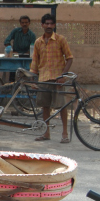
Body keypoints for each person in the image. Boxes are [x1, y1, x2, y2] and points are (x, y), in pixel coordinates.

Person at [30, 13, 74, 143]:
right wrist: (33, 78)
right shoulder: (38, 42)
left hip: (57, 79)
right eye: (46, 24)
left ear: (54, 25)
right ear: (42, 25)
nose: (49, 26)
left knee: (62, 106)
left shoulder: (61, 40)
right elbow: (35, 62)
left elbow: (69, 58)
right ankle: (46, 133)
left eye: (51, 24)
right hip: (43, 78)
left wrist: (63, 75)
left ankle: (64, 133)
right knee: (45, 106)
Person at [4, 15, 37, 82]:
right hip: (15, 55)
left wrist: (28, 53)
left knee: (28, 72)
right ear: (20, 23)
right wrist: (11, 50)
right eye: (22, 22)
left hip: (27, 56)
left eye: (26, 22)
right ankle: (11, 87)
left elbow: (33, 47)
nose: (24, 24)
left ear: (29, 23)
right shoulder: (15, 31)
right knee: (12, 70)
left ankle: (27, 87)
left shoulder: (32, 35)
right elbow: (6, 41)